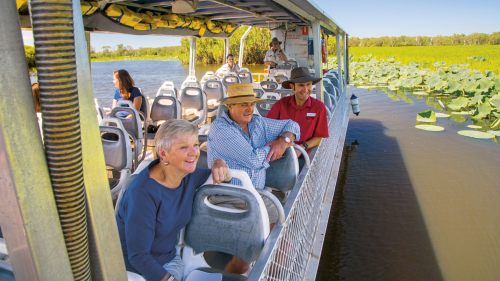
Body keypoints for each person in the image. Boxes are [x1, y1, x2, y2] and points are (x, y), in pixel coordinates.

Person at [116, 119, 231, 281]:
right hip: (134, 272)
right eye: (184, 147)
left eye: (196, 145)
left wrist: (219, 162)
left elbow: (221, 176)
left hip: (169, 261)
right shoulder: (143, 194)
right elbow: (138, 257)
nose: (194, 152)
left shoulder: (187, 174)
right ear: (163, 153)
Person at [207, 83, 300, 274]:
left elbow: (293, 125)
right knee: (243, 262)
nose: (249, 108)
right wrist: (274, 148)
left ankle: (272, 277)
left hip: (258, 197)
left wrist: (283, 141)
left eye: (251, 103)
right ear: (230, 107)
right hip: (230, 198)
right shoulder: (220, 129)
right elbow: (253, 159)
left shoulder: (257, 123)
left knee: (284, 245)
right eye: (243, 104)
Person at [266, 67, 329, 169]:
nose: (305, 89)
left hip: (304, 154)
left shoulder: (319, 107)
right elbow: (267, 127)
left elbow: (319, 137)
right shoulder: (281, 104)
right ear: (292, 87)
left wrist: (301, 148)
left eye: (308, 84)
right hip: (280, 151)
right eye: (301, 85)